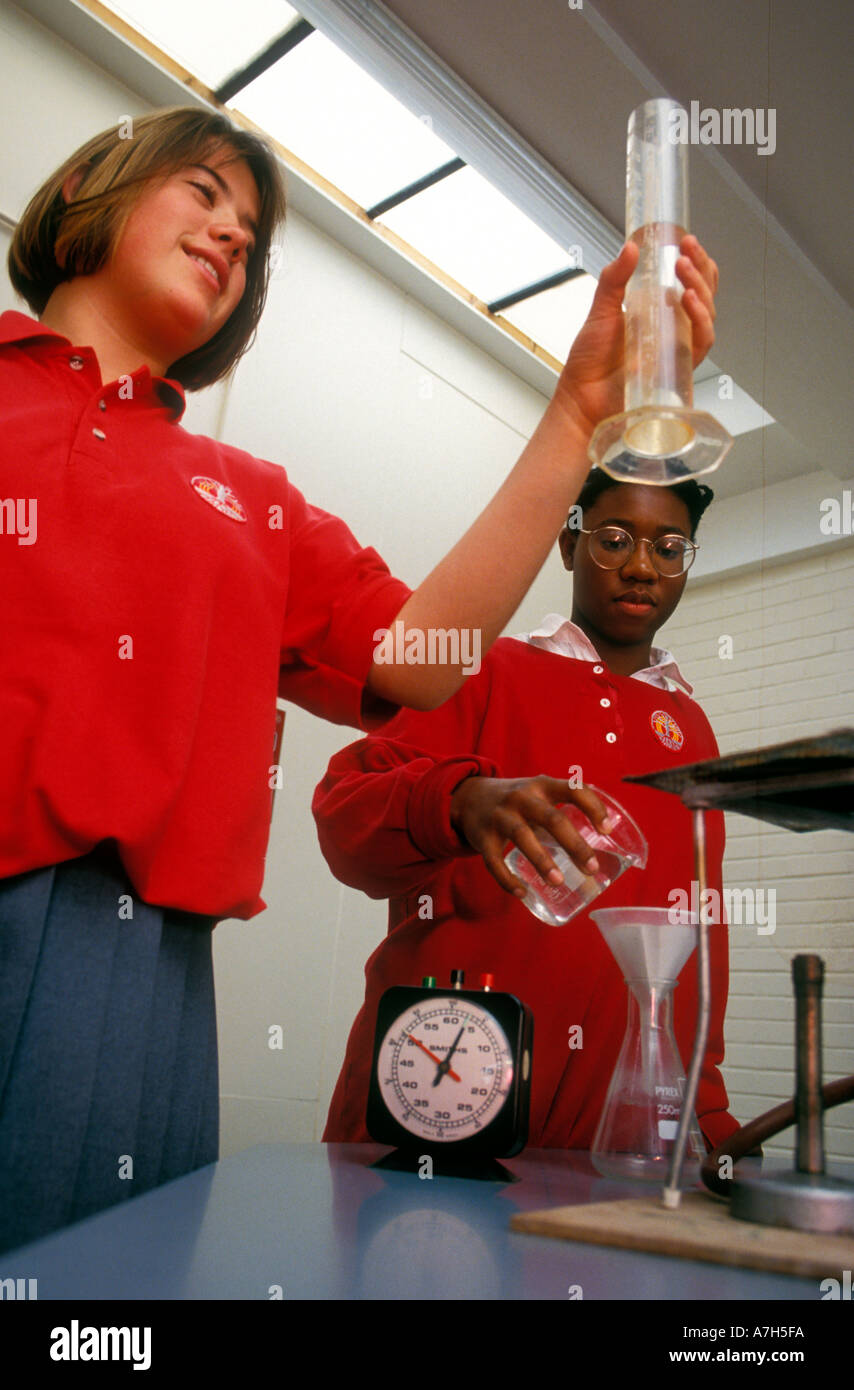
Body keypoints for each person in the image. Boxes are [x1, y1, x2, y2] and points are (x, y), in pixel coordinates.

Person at [0, 105, 720, 1250]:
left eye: (252, 235)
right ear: (91, 180)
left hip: (135, 967)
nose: (233, 236)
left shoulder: (256, 501)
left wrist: (579, 408)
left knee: (96, 1302)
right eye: (204, 195)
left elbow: (420, 661)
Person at [314, 472, 740, 1152]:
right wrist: (457, 803)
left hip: (615, 1139)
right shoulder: (482, 671)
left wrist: (706, 1111)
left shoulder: (692, 730)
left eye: (669, 548)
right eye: (613, 540)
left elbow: (699, 937)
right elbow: (343, 814)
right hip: (442, 1102)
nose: (640, 567)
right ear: (569, 545)